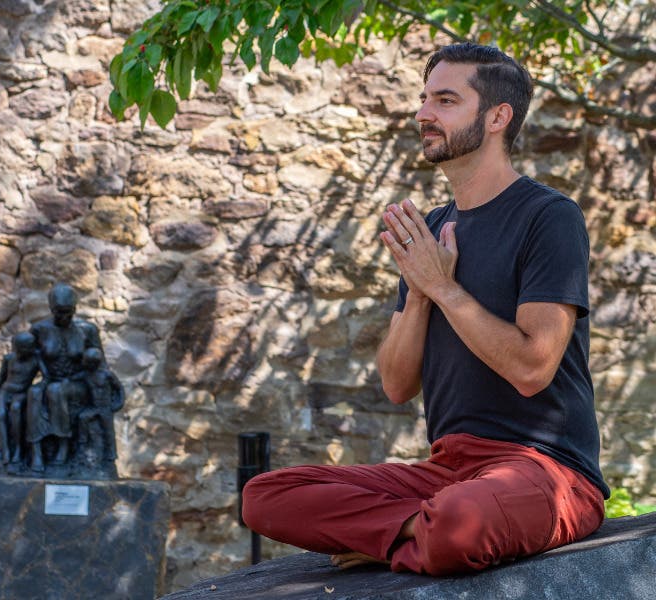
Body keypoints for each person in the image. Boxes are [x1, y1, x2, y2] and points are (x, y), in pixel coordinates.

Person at [242, 43, 609, 576]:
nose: (422, 114)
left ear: (497, 117)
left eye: (445, 100)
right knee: (266, 495)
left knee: (462, 519)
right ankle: (416, 531)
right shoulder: (430, 230)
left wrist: (444, 287)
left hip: (547, 470)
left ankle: (399, 534)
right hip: (449, 470)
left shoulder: (549, 217)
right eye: (423, 99)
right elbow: (396, 385)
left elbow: (533, 369)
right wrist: (418, 291)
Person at [26, 282, 103, 471]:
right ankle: (36, 450)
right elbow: (27, 361)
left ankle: (64, 444)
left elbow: (100, 364)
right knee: (34, 393)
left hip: (78, 382)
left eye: (69, 312)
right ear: (51, 309)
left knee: (56, 391)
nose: (64, 317)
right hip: (49, 379)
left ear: (75, 309)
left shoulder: (87, 330)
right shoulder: (39, 330)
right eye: (59, 312)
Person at [0, 331, 40, 465]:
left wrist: (37, 389)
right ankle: (5, 451)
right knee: (1, 415)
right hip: (5, 391)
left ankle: (17, 450)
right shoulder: (9, 359)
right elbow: (1, 378)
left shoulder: (36, 360)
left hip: (21, 393)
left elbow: (47, 378)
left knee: (16, 411)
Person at [77, 347, 125, 462]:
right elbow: (73, 379)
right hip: (94, 407)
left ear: (93, 363)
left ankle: (111, 454)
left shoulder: (107, 375)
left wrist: (119, 403)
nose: (84, 363)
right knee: (82, 418)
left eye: (86, 362)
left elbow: (119, 389)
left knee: (108, 430)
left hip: (105, 407)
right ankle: (81, 446)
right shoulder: (86, 375)